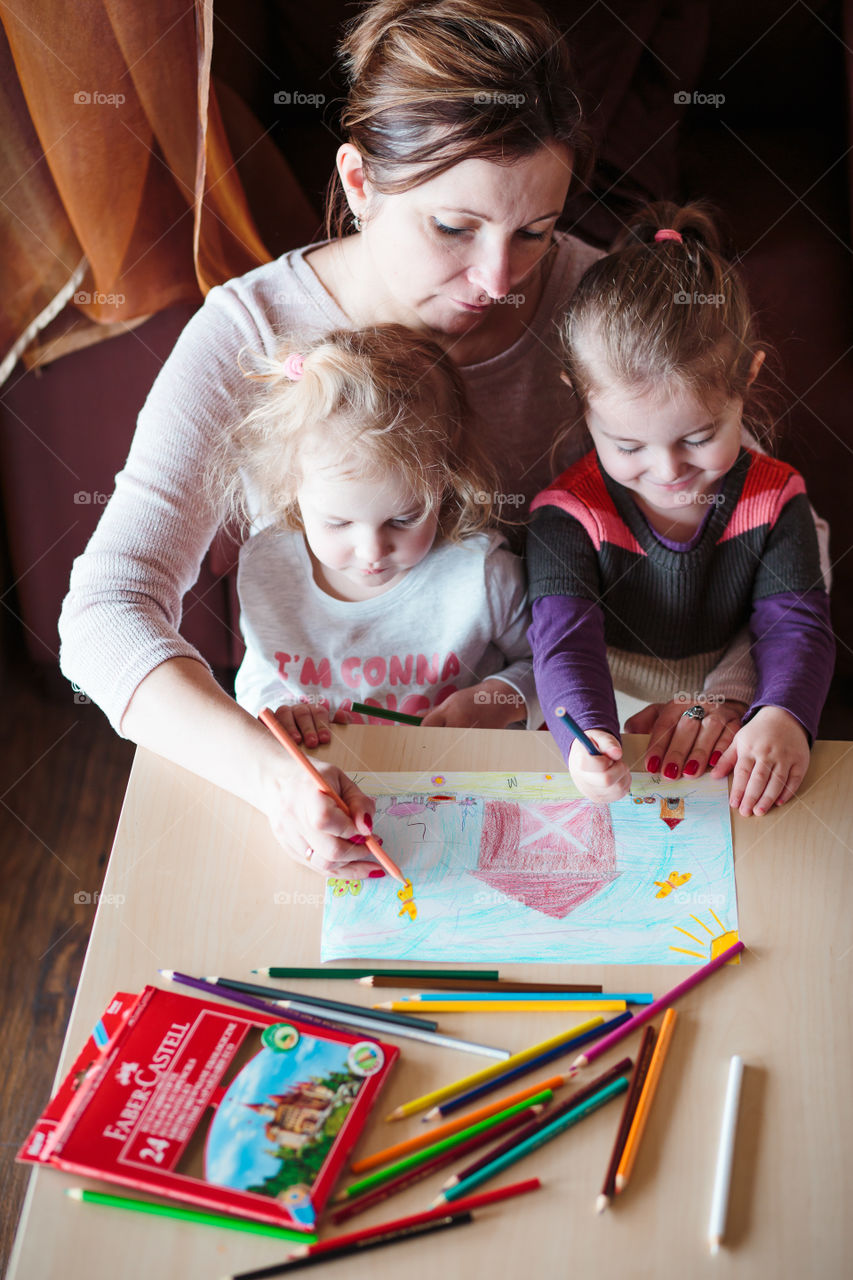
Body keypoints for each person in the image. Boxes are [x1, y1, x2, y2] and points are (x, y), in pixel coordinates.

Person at [58, 0, 818, 879]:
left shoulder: (598, 310)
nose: (499, 279)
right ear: (358, 183)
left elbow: (754, 523)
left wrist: (725, 693)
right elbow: (107, 609)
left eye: (534, 230)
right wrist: (274, 780)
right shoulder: (253, 335)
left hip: (574, 750)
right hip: (332, 760)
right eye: (453, 229)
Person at [527, 202, 835, 818]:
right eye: (629, 445)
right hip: (598, 704)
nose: (668, 472)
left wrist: (783, 716)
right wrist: (587, 739)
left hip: (732, 697)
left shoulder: (775, 498)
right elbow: (563, 644)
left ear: (748, 379)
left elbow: (795, 626)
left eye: (697, 438)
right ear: (580, 399)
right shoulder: (566, 513)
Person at [218, 324, 538, 772]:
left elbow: (547, 665)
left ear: (444, 483)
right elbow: (260, 673)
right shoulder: (271, 567)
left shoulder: (481, 576)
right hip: (328, 780)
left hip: (459, 778)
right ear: (292, 488)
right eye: (339, 523)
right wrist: (277, 709)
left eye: (403, 519)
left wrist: (500, 700)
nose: (373, 551)